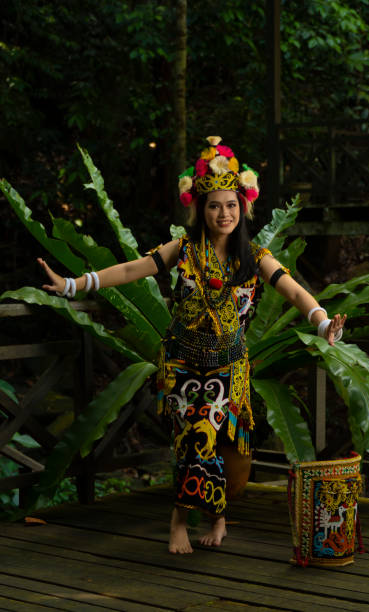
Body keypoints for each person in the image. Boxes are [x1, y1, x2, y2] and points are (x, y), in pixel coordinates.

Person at [38, 136, 346, 555]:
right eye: (216, 205)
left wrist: (323, 321)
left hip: (228, 367)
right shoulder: (182, 250)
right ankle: (212, 519)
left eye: (232, 205)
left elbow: (295, 292)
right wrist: (75, 284)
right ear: (200, 208)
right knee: (189, 440)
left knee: (209, 435)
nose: (225, 213)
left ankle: (181, 519)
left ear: (244, 207)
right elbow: (132, 269)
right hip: (181, 364)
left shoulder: (255, 257)